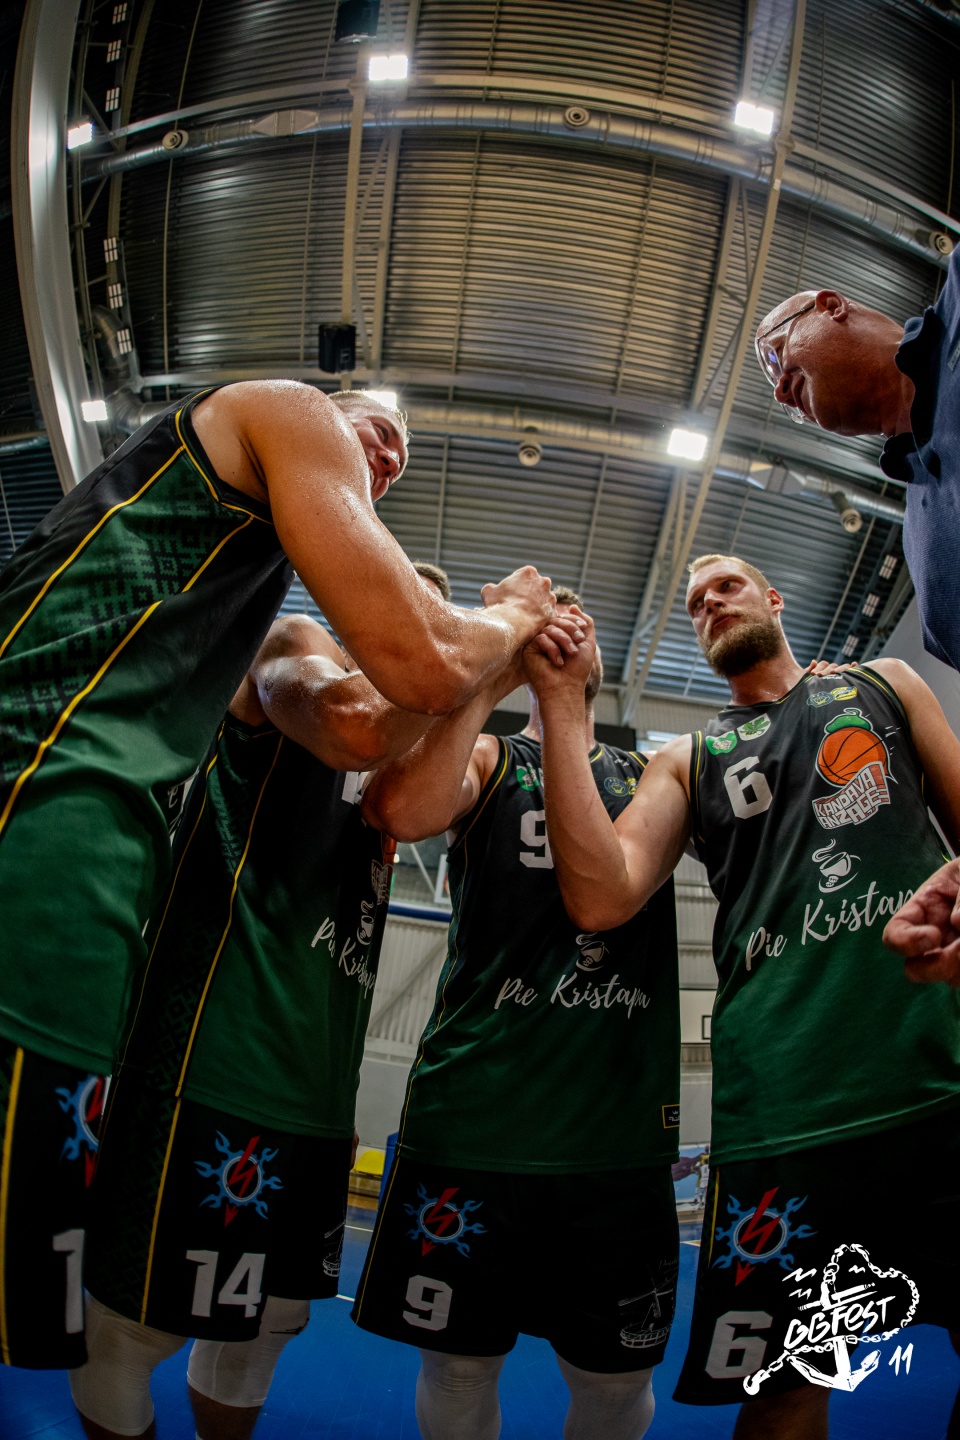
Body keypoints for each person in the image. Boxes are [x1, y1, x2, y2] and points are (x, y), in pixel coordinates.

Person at [0, 379, 573, 1371]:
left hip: (173, 936)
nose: (384, 459)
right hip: (53, 831)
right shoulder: (288, 434)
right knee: (115, 1327)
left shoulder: (238, 578)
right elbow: (407, 680)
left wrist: (472, 672)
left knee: (214, 1326)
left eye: (398, 458)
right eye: (375, 431)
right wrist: (511, 623)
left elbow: (404, 770)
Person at [70, 563, 553, 1440]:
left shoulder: (413, 756)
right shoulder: (293, 647)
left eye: (429, 614)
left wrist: (482, 683)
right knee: (131, 1333)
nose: (413, 627)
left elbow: (414, 799)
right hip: (207, 1067)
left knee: (263, 1332)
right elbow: (354, 719)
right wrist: (487, 648)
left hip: (319, 1099)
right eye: (400, 607)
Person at [527, 553, 960, 1439]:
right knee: (783, 1393)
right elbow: (601, 895)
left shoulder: (885, 682)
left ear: (773, 596)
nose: (709, 602)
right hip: (785, 1109)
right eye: (694, 603)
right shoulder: (686, 759)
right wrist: (563, 704)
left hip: (942, 1076)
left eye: (726, 585)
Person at [352, 586, 681, 1440]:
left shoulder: (657, 776)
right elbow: (405, 811)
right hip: (473, 1122)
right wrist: (489, 669)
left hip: (612, 1141)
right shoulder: (491, 757)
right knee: (458, 1367)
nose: (565, 619)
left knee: (614, 1381)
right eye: (550, 609)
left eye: (581, 612)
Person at [753, 255, 960, 984]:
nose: (779, 389)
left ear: (831, 305)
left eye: (776, 354)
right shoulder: (923, 543)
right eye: (772, 386)